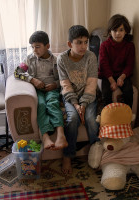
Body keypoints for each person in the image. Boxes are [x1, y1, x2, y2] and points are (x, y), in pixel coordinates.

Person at [14, 31, 68, 151]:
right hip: (38, 90)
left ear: (47, 46)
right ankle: (45, 136)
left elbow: (65, 78)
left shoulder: (56, 60)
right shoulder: (30, 59)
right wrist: (33, 80)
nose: (34, 50)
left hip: (52, 89)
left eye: (37, 47)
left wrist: (55, 85)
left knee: (52, 103)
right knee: (41, 105)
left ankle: (60, 134)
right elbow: (17, 72)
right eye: (32, 47)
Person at [57, 25, 99, 174]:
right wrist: (75, 104)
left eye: (85, 42)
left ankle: (98, 153)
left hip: (88, 96)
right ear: (70, 44)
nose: (83, 46)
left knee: (91, 120)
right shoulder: (61, 59)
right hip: (70, 97)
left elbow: (92, 83)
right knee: (72, 119)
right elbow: (65, 85)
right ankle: (68, 155)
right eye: (79, 42)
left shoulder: (91, 57)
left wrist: (84, 103)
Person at [98, 14, 135, 107]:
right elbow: (104, 65)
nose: (118, 33)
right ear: (110, 32)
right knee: (106, 94)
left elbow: (129, 65)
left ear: (126, 31)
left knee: (128, 92)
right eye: (115, 30)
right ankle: (107, 117)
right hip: (107, 75)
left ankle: (127, 116)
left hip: (122, 74)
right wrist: (112, 81)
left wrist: (122, 77)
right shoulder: (104, 45)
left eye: (121, 30)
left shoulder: (130, 46)